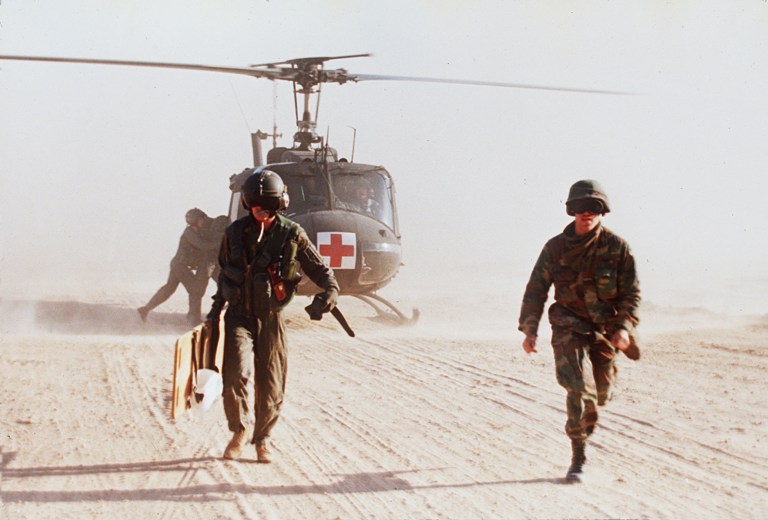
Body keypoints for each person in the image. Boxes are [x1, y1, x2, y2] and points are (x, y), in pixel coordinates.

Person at [207, 170, 339, 463]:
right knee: (234, 375)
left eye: (269, 207)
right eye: (257, 207)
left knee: (271, 382)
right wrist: (215, 312)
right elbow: (224, 274)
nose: (262, 213)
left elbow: (320, 269)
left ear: (280, 204)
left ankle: (262, 438)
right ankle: (239, 430)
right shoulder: (234, 234)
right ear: (247, 205)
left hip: (271, 317)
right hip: (239, 315)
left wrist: (331, 291)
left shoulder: (292, 234)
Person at [518, 179, 641, 483]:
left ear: (603, 210)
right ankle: (578, 456)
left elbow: (631, 294)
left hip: (606, 329)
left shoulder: (617, 248)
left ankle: (594, 404)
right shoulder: (555, 248)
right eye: (579, 207)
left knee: (601, 394)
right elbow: (536, 290)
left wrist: (624, 328)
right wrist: (530, 330)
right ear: (571, 210)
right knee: (577, 387)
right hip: (568, 324)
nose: (586, 213)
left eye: (593, 207)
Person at [138, 208, 223, 325]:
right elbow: (202, 245)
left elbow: (212, 226)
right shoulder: (189, 232)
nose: (203, 221)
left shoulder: (199, 231)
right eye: (200, 219)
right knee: (195, 290)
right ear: (195, 221)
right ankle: (193, 318)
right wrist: (219, 243)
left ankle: (145, 309)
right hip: (180, 266)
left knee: (169, 289)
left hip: (179, 265)